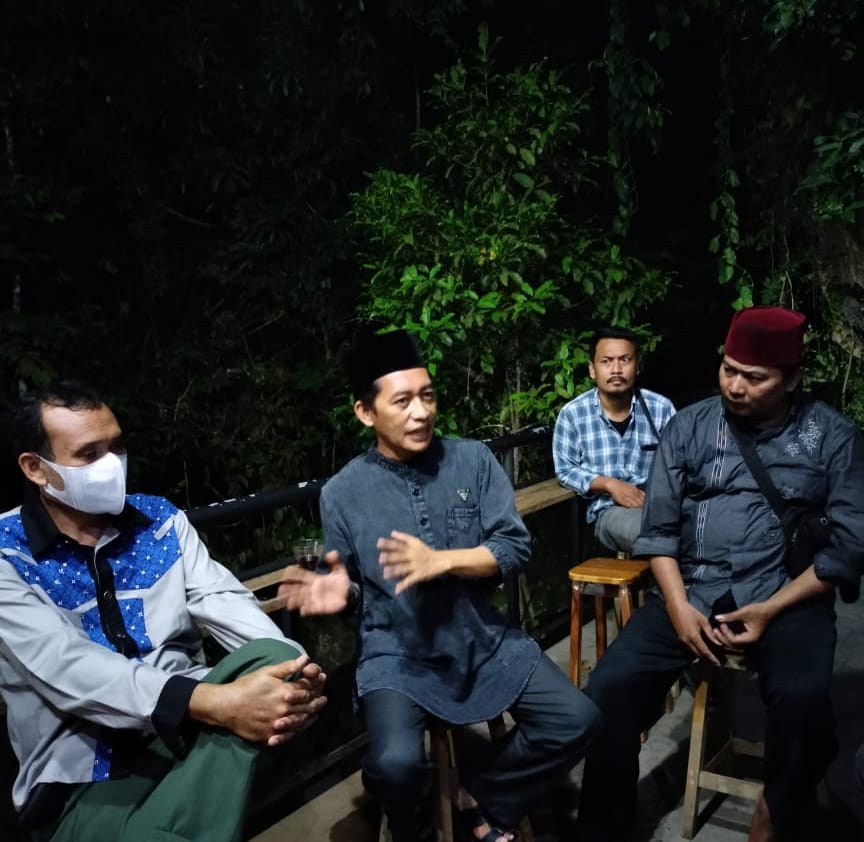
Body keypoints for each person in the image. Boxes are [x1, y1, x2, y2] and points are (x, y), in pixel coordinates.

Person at [279, 329, 600, 842]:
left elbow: (514, 547)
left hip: (482, 636)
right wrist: (342, 595)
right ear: (365, 412)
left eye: (427, 396)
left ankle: (481, 791)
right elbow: (353, 587)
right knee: (394, 767)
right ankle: (416, 822)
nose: (421, 412)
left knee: (578, 719)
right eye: (402, 401)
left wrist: (441, 561)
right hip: (396, 653)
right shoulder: (342, 492)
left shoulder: (472, 459)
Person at [574, 306, 864, 842]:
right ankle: (602, 829)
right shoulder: (689, 426)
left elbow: (849, 547)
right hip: (693, 588)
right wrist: (678, 606)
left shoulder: (831, 437)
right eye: (729, 369)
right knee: (609, 689)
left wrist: (771, 609)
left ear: (792, 379)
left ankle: (774, 810)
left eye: (754, 377)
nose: (735, 385)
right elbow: (659, 530)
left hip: (786, 596)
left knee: (803, 699)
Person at [0, 383, 327, 842]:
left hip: (191, 739)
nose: (111, 464)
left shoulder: (160, 522)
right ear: (36, 467)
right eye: (88, 454)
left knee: (276, 656)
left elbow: (225, 600)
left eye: (116, 446)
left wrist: (299, 674)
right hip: (83, 781)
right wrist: (213, 702)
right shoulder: (8, 555)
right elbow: (68, 667)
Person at [553, 326, 675, 555]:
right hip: (610, 511)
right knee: (652, 534)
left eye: (625, 360)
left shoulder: (660, 408)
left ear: (637, 366)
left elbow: (679, 463)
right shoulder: (573, 414)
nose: (616, 369)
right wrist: (609, 484)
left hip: (661, 505)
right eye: (606, 361)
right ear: (592, 369)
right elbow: (565, 470)